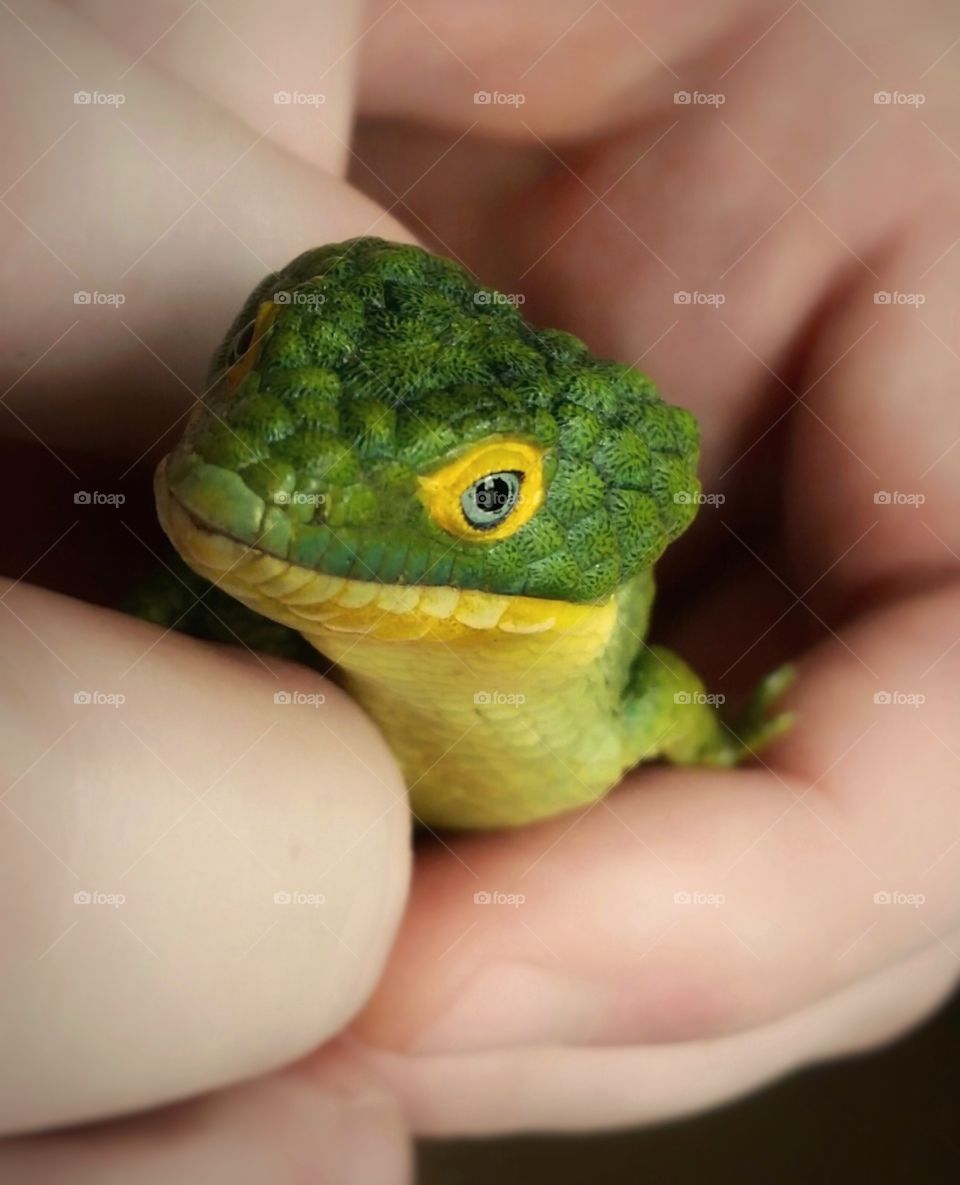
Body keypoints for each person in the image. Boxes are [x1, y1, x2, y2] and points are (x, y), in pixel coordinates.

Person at [2, 2, 959, 1180]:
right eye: (253, 354)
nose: (260, 484)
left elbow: (667, 699)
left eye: (489, 497)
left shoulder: (624, 692)